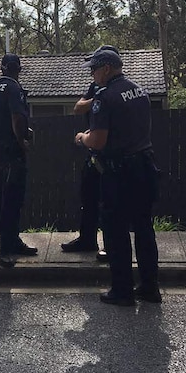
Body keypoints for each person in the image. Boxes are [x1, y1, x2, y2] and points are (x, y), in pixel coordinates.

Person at [74, 49, 161, 306]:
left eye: (94, 69)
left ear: (107, 68)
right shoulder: (140, 91)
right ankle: (149, 287)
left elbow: (98, 141)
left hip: (119, 171)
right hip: (145, 166)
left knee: (116, 230)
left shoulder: (105, 97)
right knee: (144, 228)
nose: (92, 74)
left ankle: (122, 290)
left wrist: (82, 138)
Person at [61, 46, 119, 261]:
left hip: (111, 155)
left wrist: (104, 99)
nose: (91, 71)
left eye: (94, 66)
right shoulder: (97, 88)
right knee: (88, 197)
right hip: (93, 152)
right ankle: (87, 239)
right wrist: (98, 100)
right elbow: (78, 107)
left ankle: (111, 246)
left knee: (110, 204)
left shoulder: (117, 89)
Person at [0, 53, 38, 266]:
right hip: (12, 150)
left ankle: (13, 241)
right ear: (18, 69)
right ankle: (5, 250)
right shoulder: (14, 88)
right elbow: (16, 118)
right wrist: (22, 141)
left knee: (7, 199)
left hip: (0, 149)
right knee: (11, 200)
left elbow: (2, 118)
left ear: (1, 68)